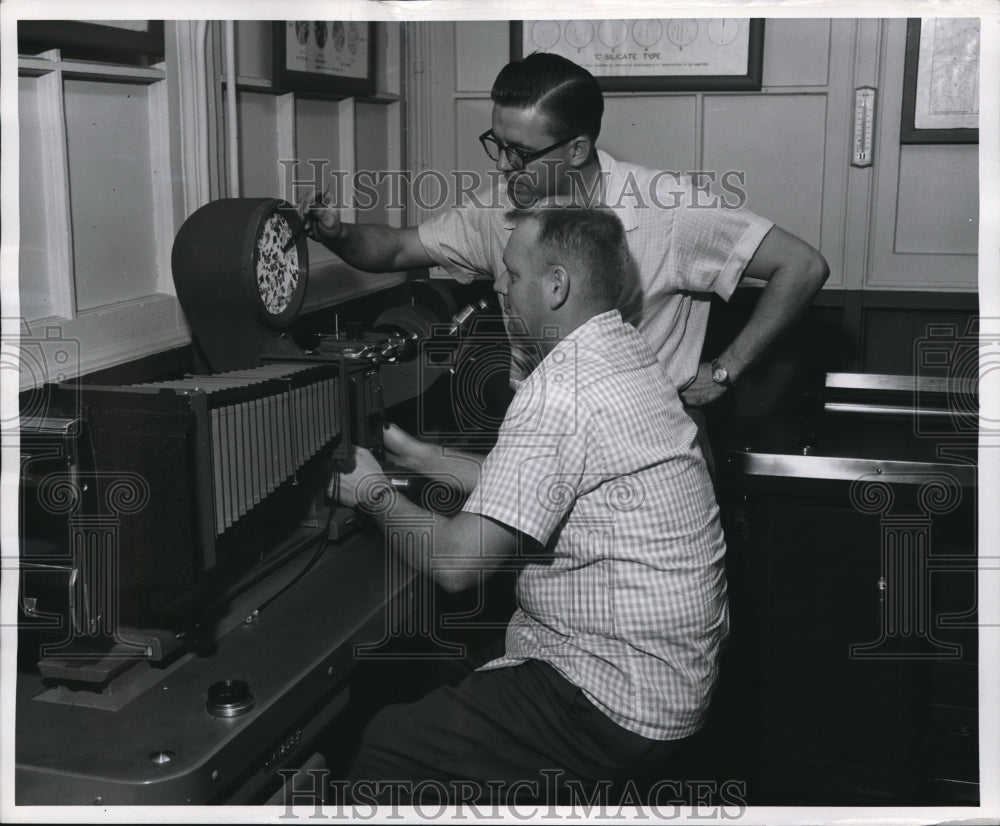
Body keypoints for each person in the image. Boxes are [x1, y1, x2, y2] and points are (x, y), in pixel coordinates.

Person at [330, 208, 729, 805]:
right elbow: (539, 486)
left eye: (511, 274)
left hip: (615, 700)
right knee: (448, 674)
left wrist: (370, 491)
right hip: (670, 677)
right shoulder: (621, 349)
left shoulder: (561, 388)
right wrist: (413, 455)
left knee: (390, 744)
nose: (498, 287)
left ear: (557, 285)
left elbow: (457, 566)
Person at [298, 51, 829, 411]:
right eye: (497, 143)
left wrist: (725, 372)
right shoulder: (500, 208)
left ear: (577, 149)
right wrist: (338, 233)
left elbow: (801, 265)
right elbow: (397, 249)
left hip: (644, 441)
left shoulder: (668, 208)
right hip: (538, 430)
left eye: (521, 153)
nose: (504, 166)